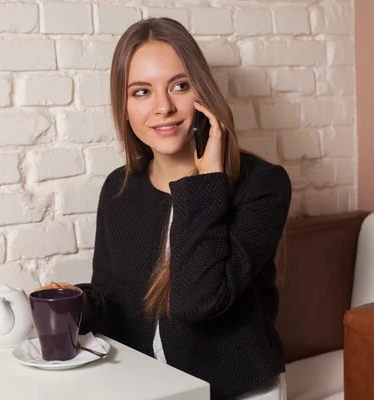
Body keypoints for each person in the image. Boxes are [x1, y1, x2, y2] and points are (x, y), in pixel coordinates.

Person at [37, 17, 292, 400]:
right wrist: (81, 302)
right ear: (123, 107)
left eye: (180, 86)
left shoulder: (262, 185)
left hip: (236, 391)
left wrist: (206, 183)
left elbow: (196, 302)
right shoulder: (119, 189)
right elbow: (115, 300)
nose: (163, 107)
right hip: (147, 388)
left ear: (203, 93)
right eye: (141, 92)